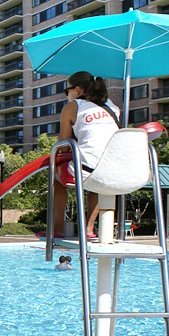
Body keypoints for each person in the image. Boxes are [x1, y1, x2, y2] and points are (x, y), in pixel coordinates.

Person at [40, 72, 120, 240]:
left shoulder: (73, 107)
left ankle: (58, 229)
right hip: (113, 170)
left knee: (55, 176)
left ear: (76, 90)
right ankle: (89, 229)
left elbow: (62, 144)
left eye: (66, 90)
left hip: (85, 170)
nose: (67, 95)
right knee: (97, 181)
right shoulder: (113, 107)